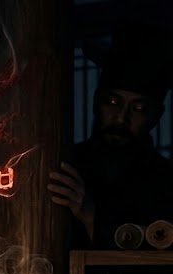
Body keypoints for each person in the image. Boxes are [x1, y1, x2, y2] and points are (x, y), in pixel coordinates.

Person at [48, 20, 173, 249]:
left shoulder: (167, 182)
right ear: (97, 103)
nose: (121, 118)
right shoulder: (68, 165)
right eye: (113, 102)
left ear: (156, 116)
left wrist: (90, 215)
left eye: (138, 108)